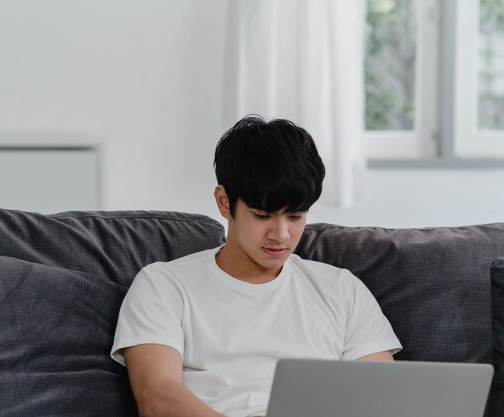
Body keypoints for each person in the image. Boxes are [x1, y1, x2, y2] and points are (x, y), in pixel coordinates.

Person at [110, 115, 402, 417]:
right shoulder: (163, 286)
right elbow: (157, 398)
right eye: (263, 216)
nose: (281, 235)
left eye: (295, 216)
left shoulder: (342, 290)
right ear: (224, 202)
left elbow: (383, 398)